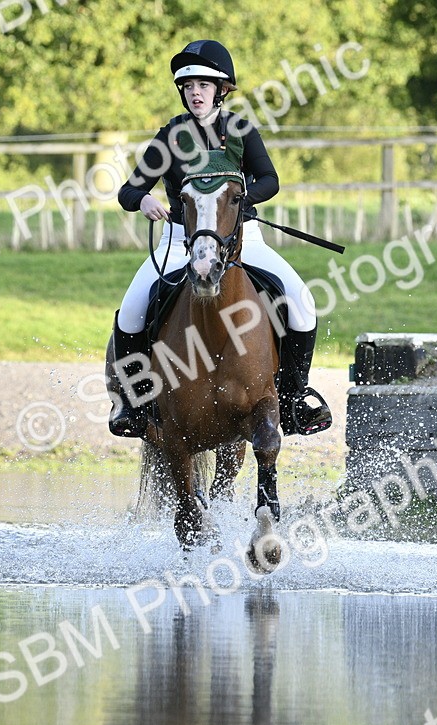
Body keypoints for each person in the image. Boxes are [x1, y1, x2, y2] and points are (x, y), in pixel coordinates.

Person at [109, 39, 332, 439]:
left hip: (243, 240)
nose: (195, 92)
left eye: (204, 85)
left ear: (221, 90)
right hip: (180, 242)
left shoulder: (242, 131)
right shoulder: (170, 137)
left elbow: (270, 180)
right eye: (189, 85)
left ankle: (294, 399)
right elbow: (128, 190)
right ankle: (136, 406)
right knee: (130, 312)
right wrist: (143, 199)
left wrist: (240, 197)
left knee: (302, 302)